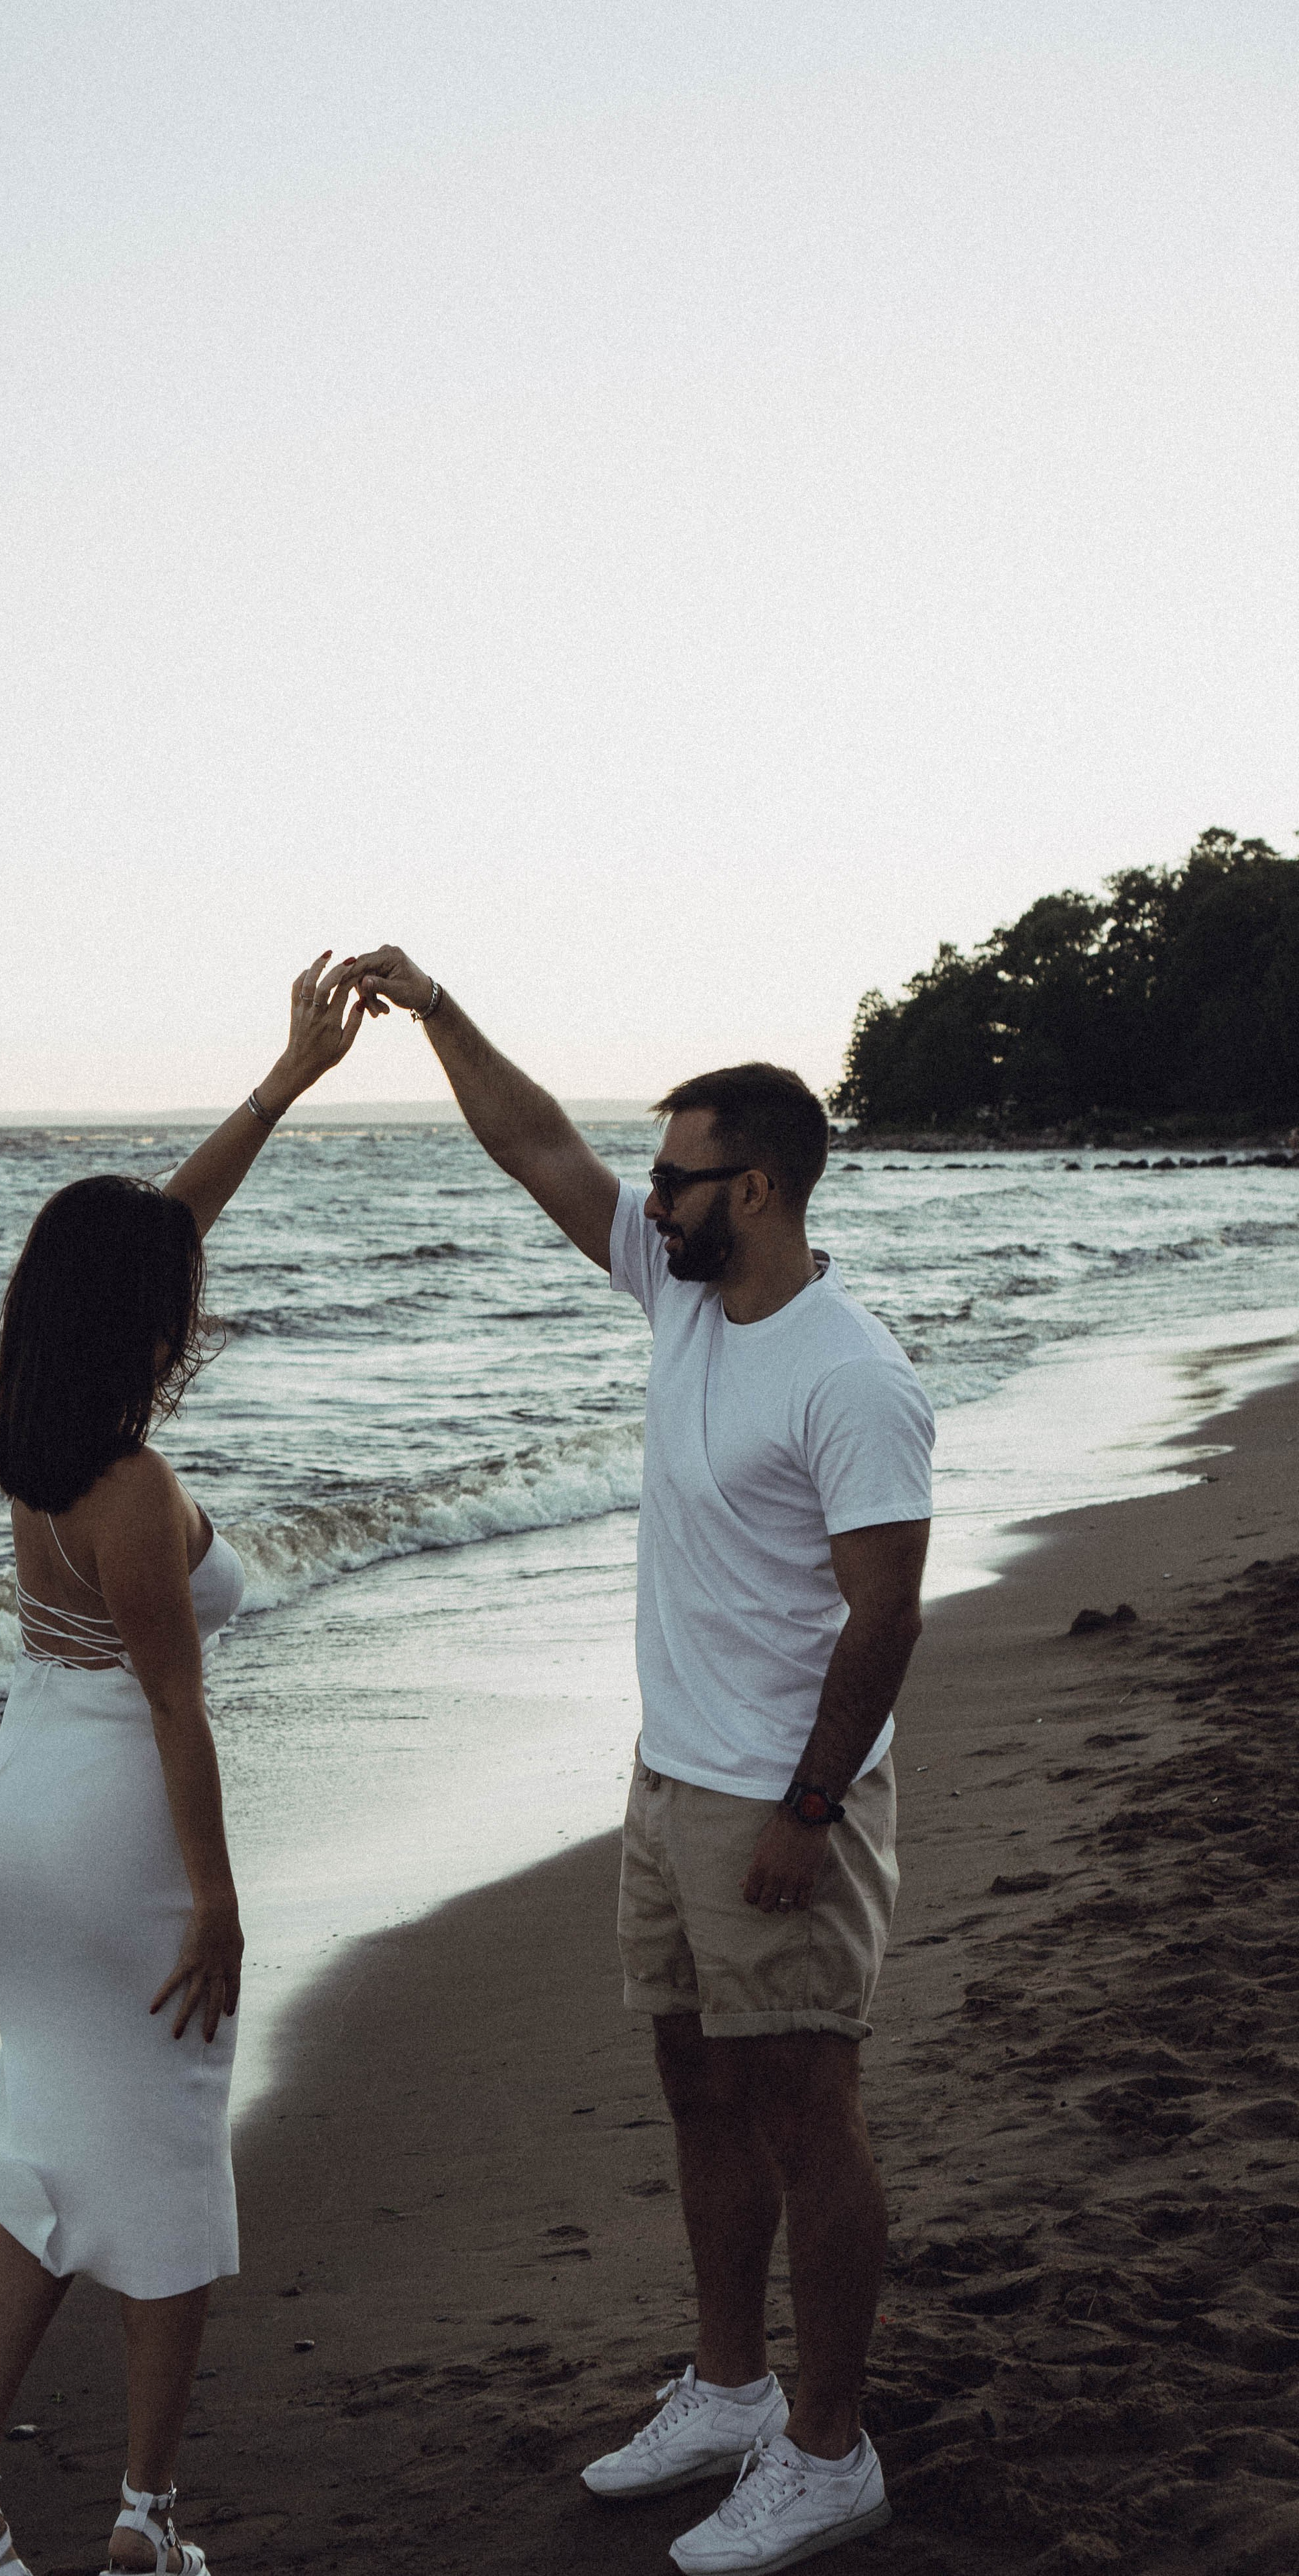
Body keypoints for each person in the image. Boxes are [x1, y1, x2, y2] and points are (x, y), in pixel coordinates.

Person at [349, 949, 933, 2575]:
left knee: (807, 2108)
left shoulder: (850, 1373)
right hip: (670, 1776)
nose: (645, 1196)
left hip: (781, 1793)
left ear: (749, 1187)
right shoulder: (681, 1294)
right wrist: (439, 1009)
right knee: (694, 2085)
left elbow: (884, 1617)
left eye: (673, 1175)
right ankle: (735, 2390)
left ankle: (828, 2453)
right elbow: (533, 1146)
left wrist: (810, 1812)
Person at [0, 955, 366, 2576]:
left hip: (20, 1811)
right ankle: (145, 2526)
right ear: (143, 1316)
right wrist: (216, 1904)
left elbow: (158, 1227)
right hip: (112, 1835)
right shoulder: (134, 1489)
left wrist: (282, 1085)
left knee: (56, 2148)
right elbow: (177, 1710)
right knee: (158, 2172)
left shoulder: (38, 1410)